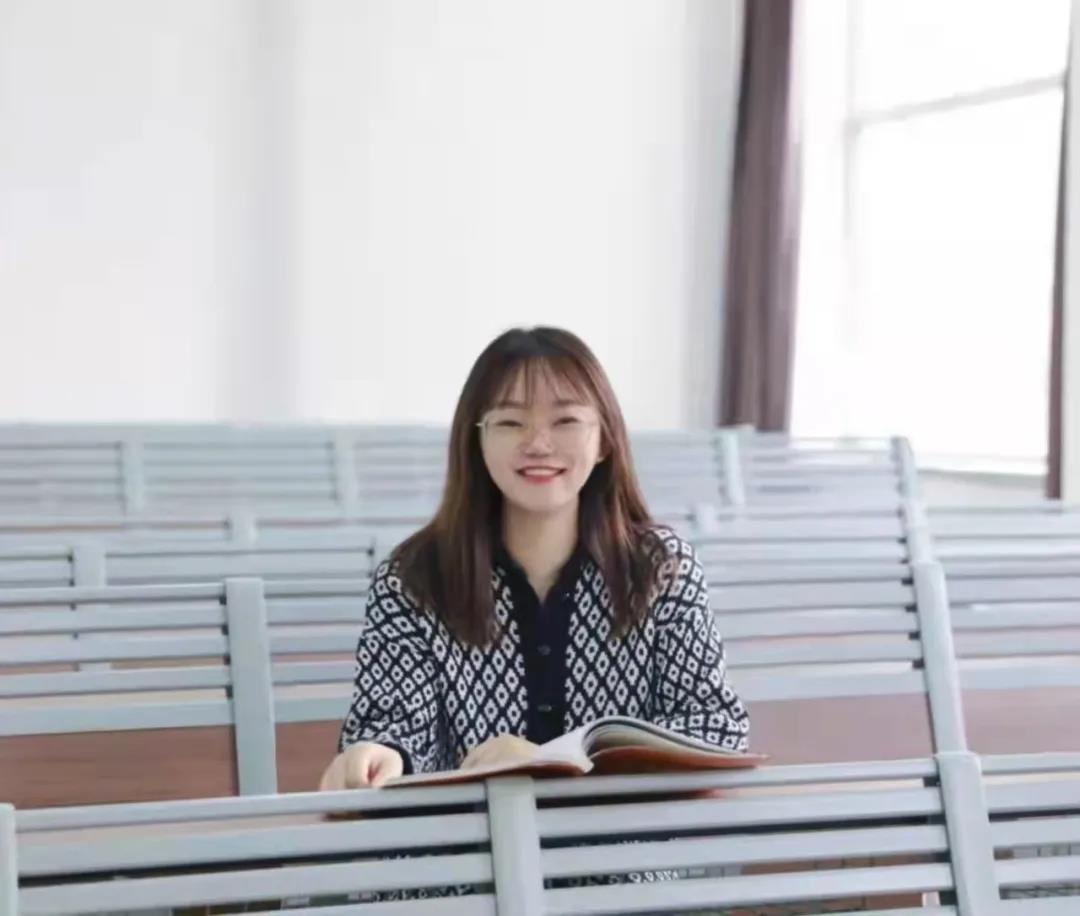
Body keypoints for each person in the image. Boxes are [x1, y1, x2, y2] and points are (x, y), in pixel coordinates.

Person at [319, 326, 749, 792]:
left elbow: (716, 728)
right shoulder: (412, 580)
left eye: (565, 421)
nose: (539, 443)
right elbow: (395, 727)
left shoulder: (661, 568)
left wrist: (553, 760)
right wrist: (379, 754)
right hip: (469, 835)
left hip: (627, 836)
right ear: (477, 440)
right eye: (510, 422)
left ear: (604, 441)